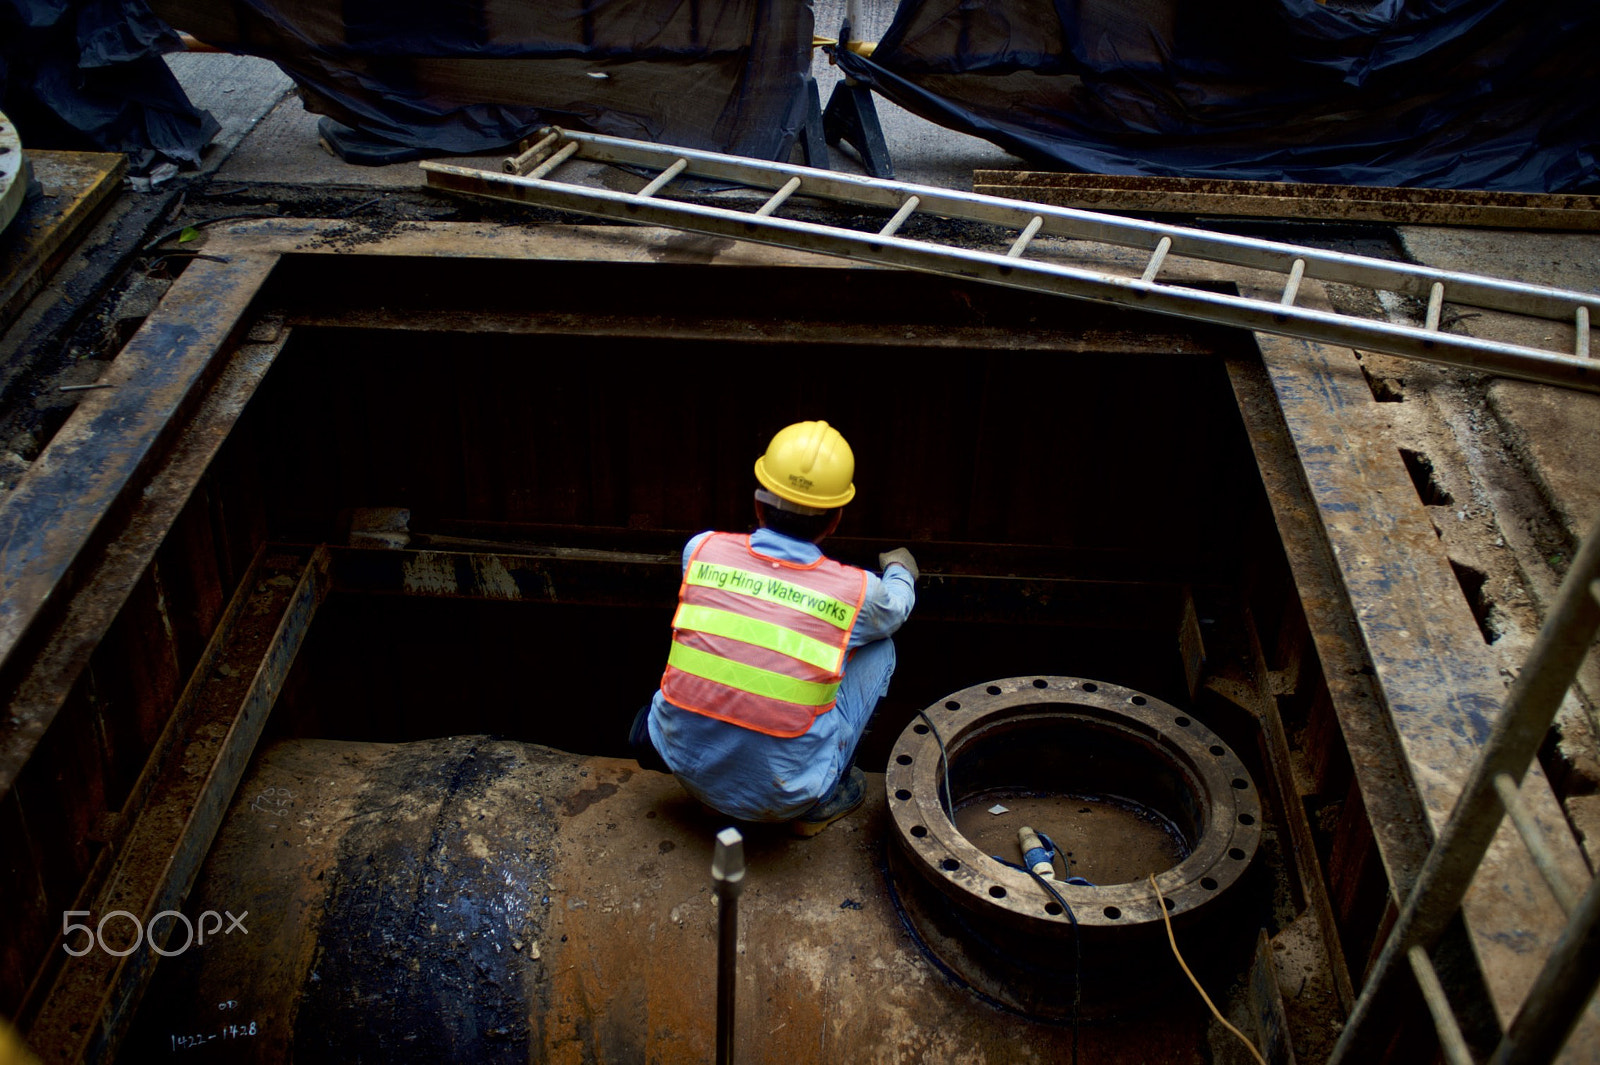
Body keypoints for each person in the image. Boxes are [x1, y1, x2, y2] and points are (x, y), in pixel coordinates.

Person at [630, 420, 918, 836]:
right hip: (787, 793)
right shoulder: (858, 593)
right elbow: (896, 608)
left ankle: (717, 795)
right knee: (880, 650)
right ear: (835, 520)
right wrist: (900, 570)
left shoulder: (701, 550)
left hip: (685, 769)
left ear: (758, 505)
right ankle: (816, 802)